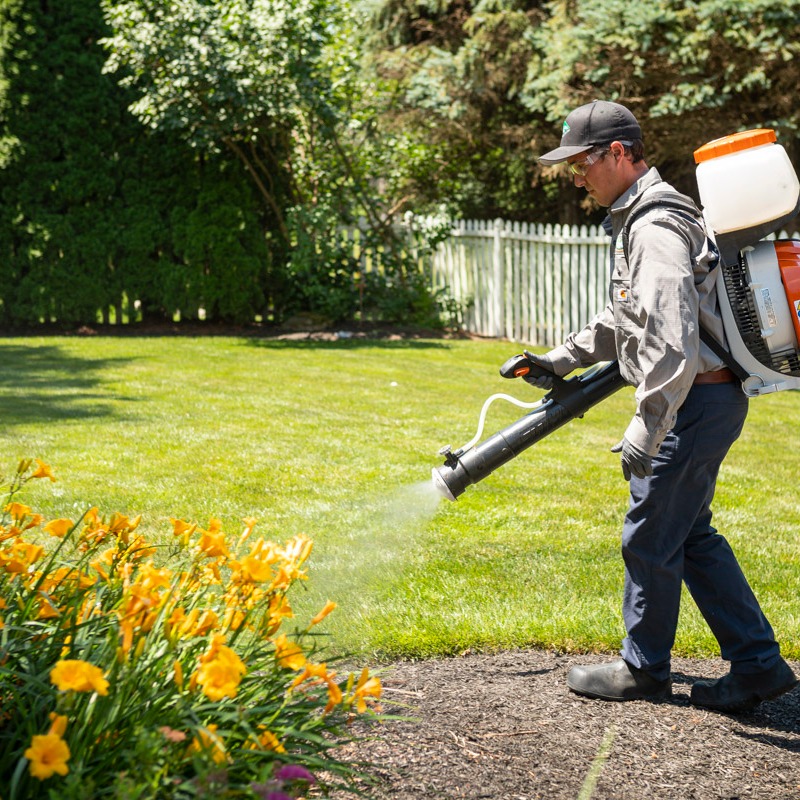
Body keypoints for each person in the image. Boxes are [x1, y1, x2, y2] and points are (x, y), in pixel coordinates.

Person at [532, 99, 797, 713]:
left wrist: (647, 430)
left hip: (690, 405)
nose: (578, 177)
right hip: (707, 400)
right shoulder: (648, 217)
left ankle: (643, 670)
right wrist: (560, 359)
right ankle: (758, 663)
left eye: (583, 163)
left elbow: (671, 342)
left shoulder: (653, 227)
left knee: (649, 536)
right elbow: (630, 314)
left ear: (619, 154)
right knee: (689, 535)